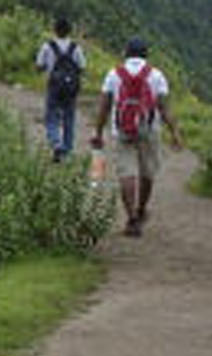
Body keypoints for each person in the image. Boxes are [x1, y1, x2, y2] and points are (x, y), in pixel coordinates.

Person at [88, 37, 185, 237]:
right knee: (147, 173)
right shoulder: (156, 75)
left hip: (122, 130)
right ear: (146, 54)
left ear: (126, 53)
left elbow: (104, 107)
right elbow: (164, 107)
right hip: (149, 130)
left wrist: (97, 132)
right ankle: (141, 210)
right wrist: (175, 132)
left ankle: (131, 218)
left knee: (127, 174)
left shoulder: (114, 74)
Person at [35, 18, 85, 162]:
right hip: (70, 89)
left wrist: (46, 68)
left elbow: (39, 65)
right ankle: (67, 150)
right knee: (69, 118)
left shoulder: (47, 46)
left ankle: (56, 143)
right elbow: (82, 67)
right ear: (69, 31)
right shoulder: (76, 47)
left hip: (54, 86)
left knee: (51, 116)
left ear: (55, 30)